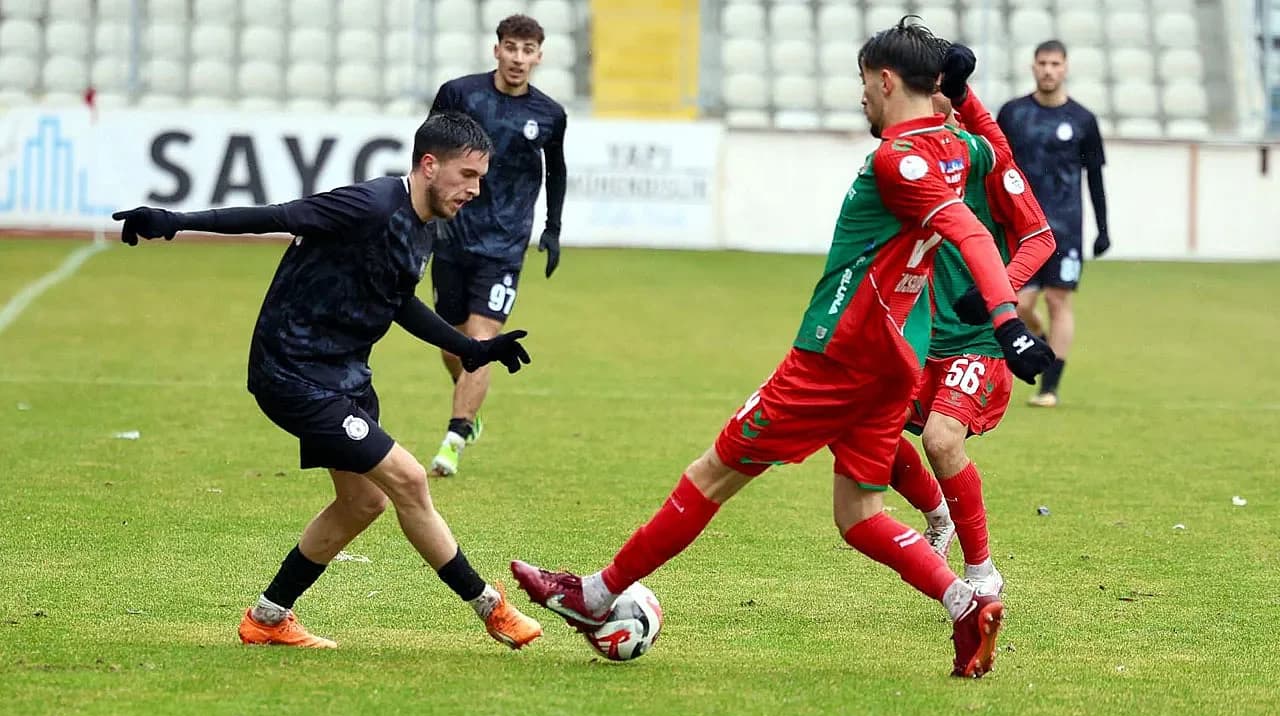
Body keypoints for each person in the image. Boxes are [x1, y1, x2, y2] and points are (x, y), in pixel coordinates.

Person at [509, 19, 1055, 678]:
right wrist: (963, 94)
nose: (862, 99)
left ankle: (595, 596)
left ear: (885, 81)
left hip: (836, 357)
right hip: (894, 359)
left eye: (863, 85)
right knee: (859, 514)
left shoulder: (897, 159)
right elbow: (990, 152)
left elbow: (970, 231)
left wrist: (1008, 322)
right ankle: (966, 604)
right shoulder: (957, 148)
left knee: (713, 472)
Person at [110, 111, 543, 651]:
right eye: (467, 175)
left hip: (344, 374)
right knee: (409, 479)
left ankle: (267, 618)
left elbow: (398, 300)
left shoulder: (426, 226)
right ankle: (491, 608)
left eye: (480, 178)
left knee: (363, 503)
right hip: (291, 370)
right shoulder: (369, 205)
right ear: (429, 165)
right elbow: (276, 215)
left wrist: (473, 349)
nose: (475, 190)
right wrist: (173, 220)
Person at [889, 43, 1056, 597]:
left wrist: (996, 296)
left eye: (936, 89)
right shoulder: (906, 158)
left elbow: (1039, 237)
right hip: (917, 331)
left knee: (940, 440)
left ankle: (982, 569)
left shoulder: (985, 158)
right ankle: (937, 515)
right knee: (866, 430)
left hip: (978, 336)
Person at [426, 14, 568, 476]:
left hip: (505, 246)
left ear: (539, 57)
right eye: (511, 47)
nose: (518, 58)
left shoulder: (549, 114)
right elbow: (428, 151)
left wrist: (553, 228)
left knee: (481, 339)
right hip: (451, 234)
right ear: (497, 50)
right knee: (452, 343)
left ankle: (454, 436)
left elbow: (557, 171)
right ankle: (472, 410)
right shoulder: (459, 94)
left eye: (528, 51)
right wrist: (422, 214)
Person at [997, 40, 1110, 408]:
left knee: (1059, 300)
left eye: (1055, 63)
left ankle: (1050, 388)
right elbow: (994, 167)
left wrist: (1103, 229)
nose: (1048, 69)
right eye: (1042, 63)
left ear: (1065, 68)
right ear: (1033, 67)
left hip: (1066, 228)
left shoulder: (1082, 120)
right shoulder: (1013, 114)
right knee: (1019, 303)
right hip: (1021, 226)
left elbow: (1094, 177)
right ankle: (1037, 335)